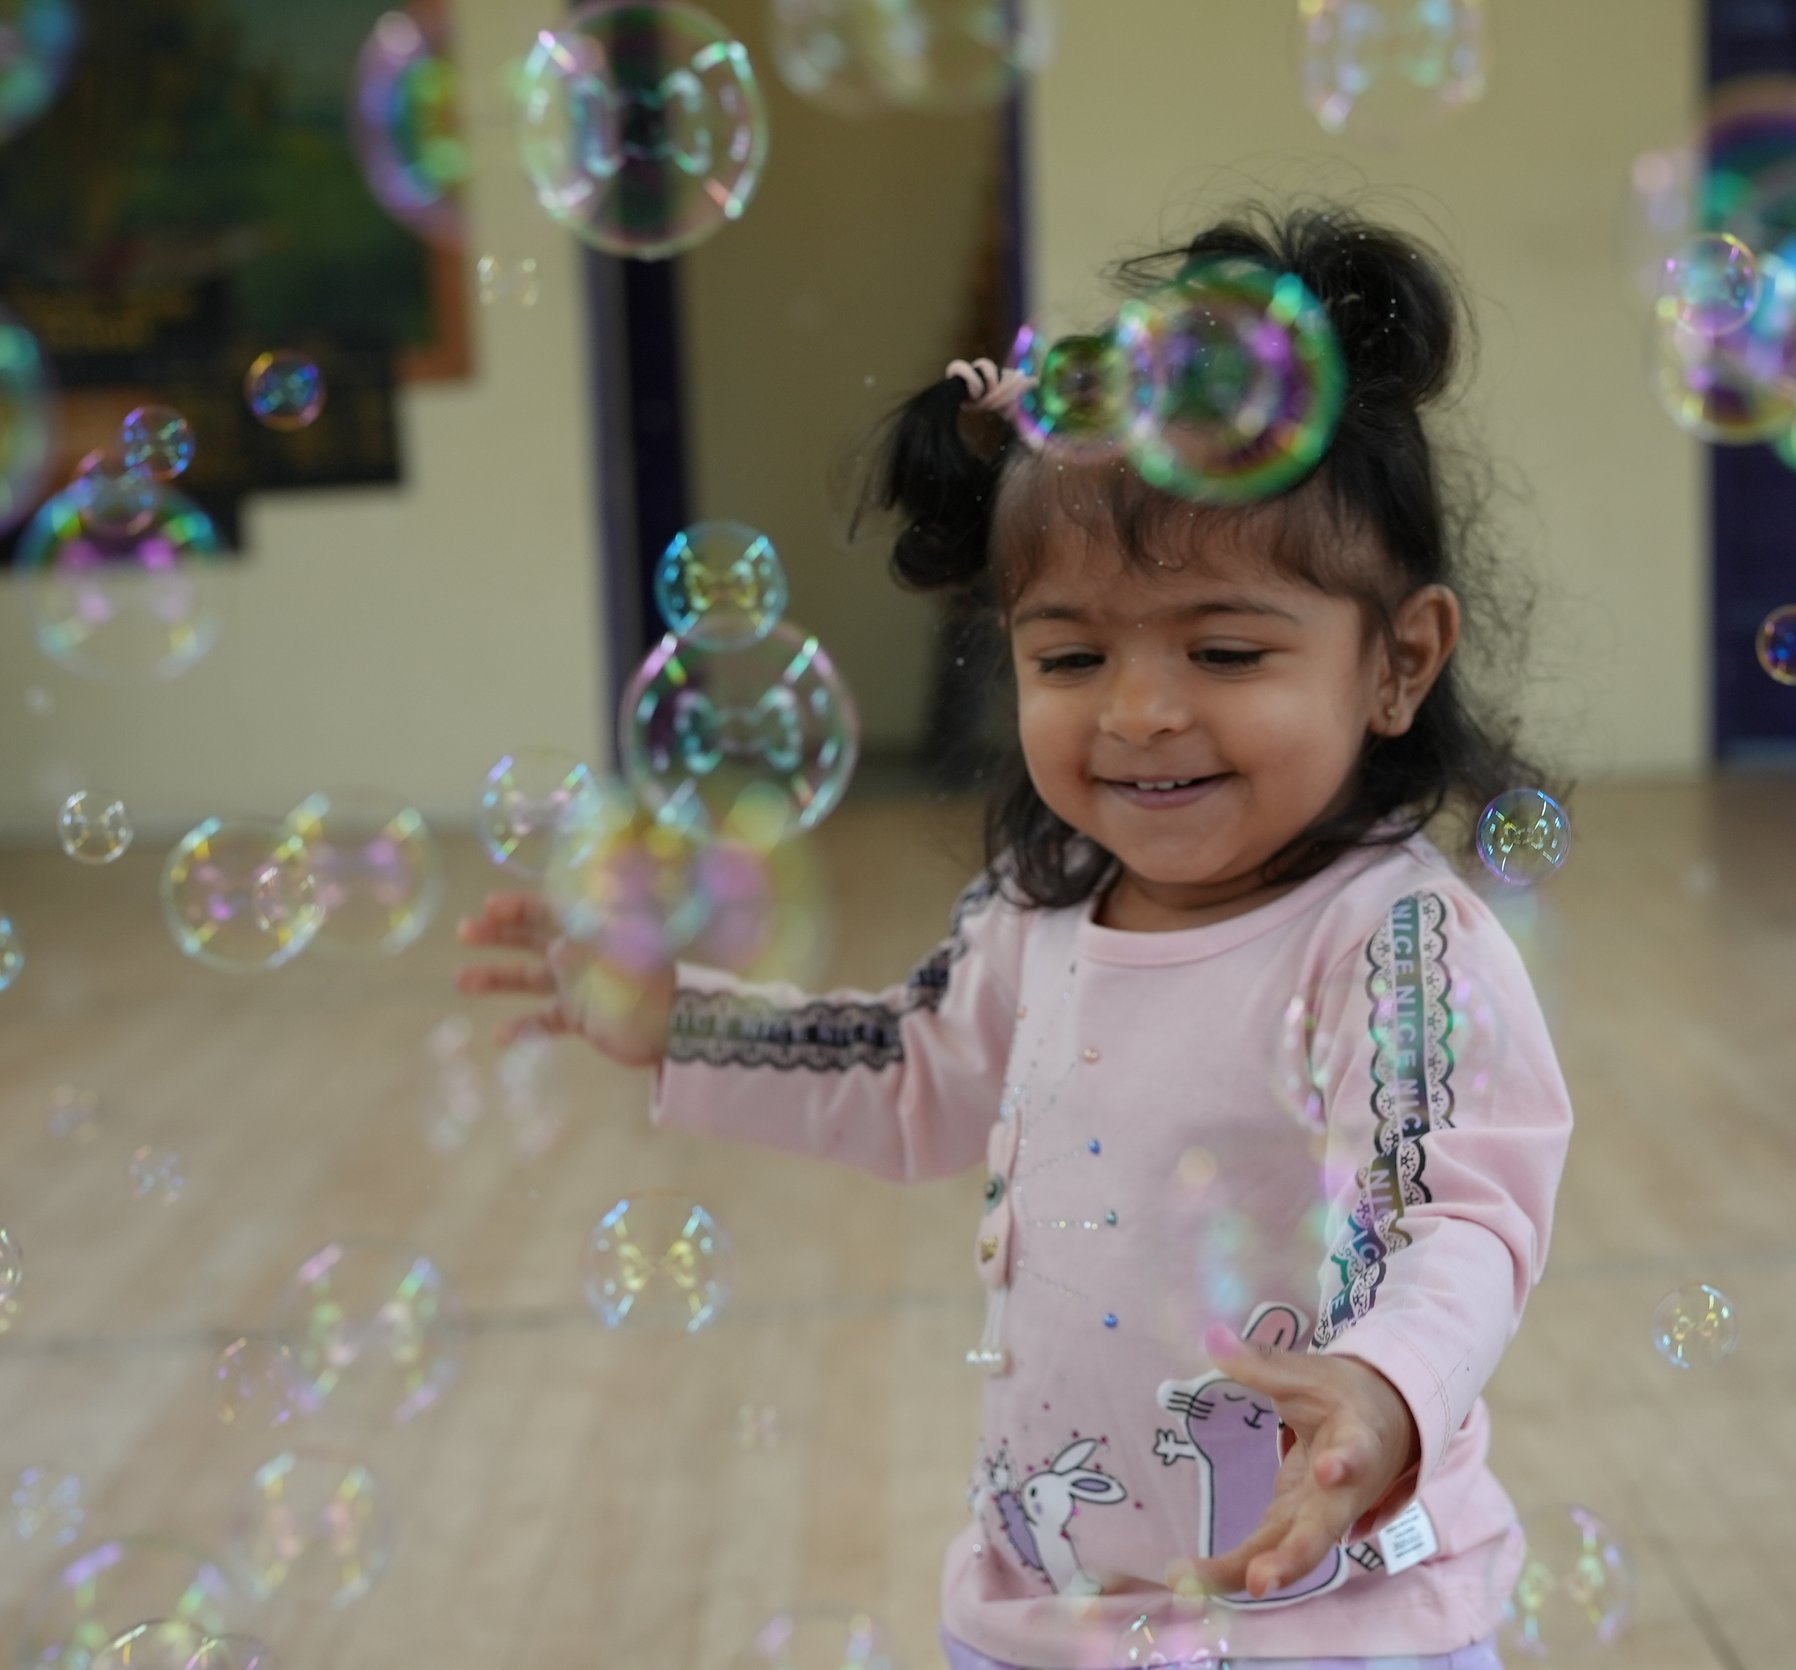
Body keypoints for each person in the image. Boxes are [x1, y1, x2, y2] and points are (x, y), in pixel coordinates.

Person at [458, 204, 1573, 1670]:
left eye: (1226, 651)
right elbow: (913, 1066)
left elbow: (1461, 1219)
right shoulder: (1042, 913)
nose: (1141, 710)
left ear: (1399, 661)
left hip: (1336, 1623)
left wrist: (1384, 1388)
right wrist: (686, 1020)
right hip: (1043, 1609)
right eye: (1072, 655)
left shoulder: (1395, 943)